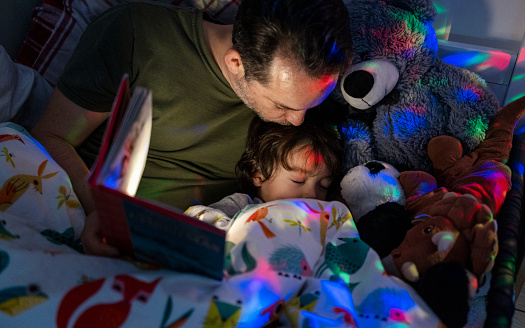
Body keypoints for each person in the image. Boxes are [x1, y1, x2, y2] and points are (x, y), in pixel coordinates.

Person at [29, 0, 353, 255]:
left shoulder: (302, 86)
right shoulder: (135, 35)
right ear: (236, 64)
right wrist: (103, 213)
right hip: (93, 221)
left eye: (309, 105)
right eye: (283, 106)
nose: (298, 121)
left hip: (213, 249)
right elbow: (51, 136)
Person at [185, 114, 344, 230]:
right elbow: (200, 222)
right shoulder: (243, 205)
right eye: (298, 181)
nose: (312, 195)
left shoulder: (321, 218)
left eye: (323, 186)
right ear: (258, 175)